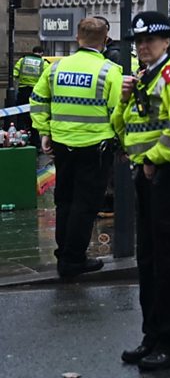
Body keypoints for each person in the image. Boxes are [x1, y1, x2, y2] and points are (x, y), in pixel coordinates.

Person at [112, 11, 170, 371]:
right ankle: (152, 337)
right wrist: (122, 99)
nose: (143, 46)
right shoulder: (143, 78)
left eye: (150, 40)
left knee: (169, 264)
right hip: (148, 173)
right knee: (148, 262)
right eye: (139, 42)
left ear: (167, 41)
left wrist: (152, 159)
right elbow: (121, 127)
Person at [29, 19, 120, 278]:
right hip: (95, 148)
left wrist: (44, 132)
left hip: (61, 144)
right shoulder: (109, 70)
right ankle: (73, 259)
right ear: (105, 40)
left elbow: (37, 100)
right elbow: (118, 113)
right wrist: (123, 143)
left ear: (78, 38)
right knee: (85, 204)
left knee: (65, 201)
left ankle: (63, 253)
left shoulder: (57, 68)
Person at [13, 45, 46, 143]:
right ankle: (35, 143)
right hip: (35, 94)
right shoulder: (44, 63)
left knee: (21, 116)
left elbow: (15, 74)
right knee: (34, 118)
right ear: (41, 53)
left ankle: (19, 140)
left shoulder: (22, 60)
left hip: (23, 92)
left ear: (33, 51)